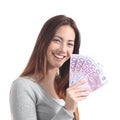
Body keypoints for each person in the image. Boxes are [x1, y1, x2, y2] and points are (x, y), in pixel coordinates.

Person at [9, 15, 90, 120]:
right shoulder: (23, 86)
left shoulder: (63, 87)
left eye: (70, 44)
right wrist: (68, 110)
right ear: (44, 41)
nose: (63, 50)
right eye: (57, 40)